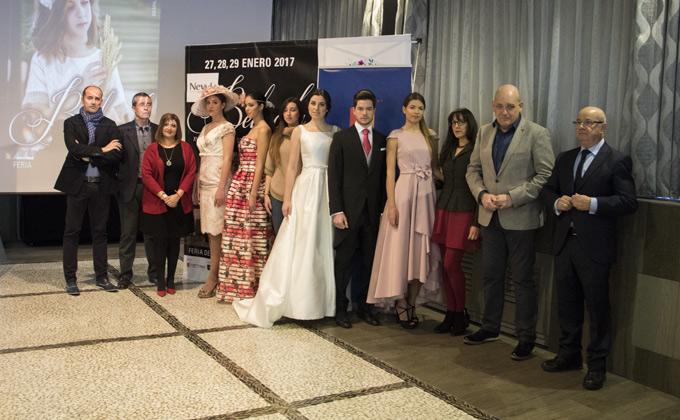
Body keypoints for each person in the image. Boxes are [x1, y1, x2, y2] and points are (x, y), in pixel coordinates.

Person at [541, 106, 637, 390]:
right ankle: (568, 354)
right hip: (565, 243)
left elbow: (629, 202)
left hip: (595, 248)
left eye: (589, 123)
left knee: (597, 307)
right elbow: (548, 191)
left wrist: (593, 204)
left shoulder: (617, 160)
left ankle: (596, 365)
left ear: (603, 127)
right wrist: (558, 203)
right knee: (567, 303)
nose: (582, 127)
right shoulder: (566, 158)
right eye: (578, 122)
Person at [464, 84, 554, 361]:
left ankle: (525, 337)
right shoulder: (484, 131)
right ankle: (490, 327)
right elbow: (472, 170)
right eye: (500, 106)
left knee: (523, 281)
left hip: (521, 219)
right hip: (489, 217)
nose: (505, 112)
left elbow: (544, 175)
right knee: (491, 275)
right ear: (493, 106)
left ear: (521, 106)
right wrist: (482, 195)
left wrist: (511, 198)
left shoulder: (537, 134)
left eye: (511, 107)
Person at [234, 89, 338, 327]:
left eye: (321, 104)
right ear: (308, 106)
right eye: (313, 103)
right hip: (305, 189)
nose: (317, 108)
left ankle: (321, 302)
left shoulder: (335, 132)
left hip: (327, 191)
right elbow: (292, 167)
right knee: (300, 243)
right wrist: (288, 198)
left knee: (322, 245)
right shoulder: (300, 131)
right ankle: (294, 301)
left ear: (327, 108)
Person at [366, 92, 441, 329]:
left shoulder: (431, 136)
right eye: (412, 107)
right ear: (403, 109)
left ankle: (412, 302)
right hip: (404, 194)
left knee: (421, 249)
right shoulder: (395, 137)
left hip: (427, 195)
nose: (416, 111)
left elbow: (437, 168)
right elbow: (389, 173)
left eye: (420, 107)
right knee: (400, 249)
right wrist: (391, 204)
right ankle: (400, 303)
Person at [54, 85, 123, 295]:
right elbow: (73, 149)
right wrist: (102, 150)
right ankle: (71, 279)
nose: (93, 101)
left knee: (100, 232)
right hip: (77, 184)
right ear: (83, 99)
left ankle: (101, 277)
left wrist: (88, 154)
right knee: (72, 232)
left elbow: (117, 155)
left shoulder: (110, 125)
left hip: (101, 185)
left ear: (102, 101)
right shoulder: (71, 123)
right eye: (90, 98)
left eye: (97, 99)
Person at [328, 89, 386, 329]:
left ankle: (365, 307)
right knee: (343, 263)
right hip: (348, 214)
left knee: (368, 263)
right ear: (354, 111)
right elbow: (334, 177)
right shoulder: (341, 139)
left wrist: (383, 210)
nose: (364, 113)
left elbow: (385, 179)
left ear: (374, 111)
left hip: (372, 214)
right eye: (360, 109)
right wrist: (337, 211)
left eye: (369, 109)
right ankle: (342, 309)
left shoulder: (383, 140)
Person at [22, 0, 128, 124]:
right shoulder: (42, 60)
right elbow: (34, 120)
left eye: (84, 3)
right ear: (57, 15)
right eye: (70, 8)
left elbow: (122, 114)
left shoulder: (104, 58)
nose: (81, 13)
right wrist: (79, 90)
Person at [216, 91, 273, 302]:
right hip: (240, 181)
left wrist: (252, 192)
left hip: (251, 184)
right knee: (235, 235)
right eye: (245, 105)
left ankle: (252, 287)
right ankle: (235, 288)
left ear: (260, 106)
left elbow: (261, 164)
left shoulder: (264, 129)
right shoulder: (252, 128)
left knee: (253, 236)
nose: (247, 109)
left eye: (250, 105)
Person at [432, 108, 481, 335]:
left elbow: (481, 187)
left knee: (452, 263)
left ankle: (460, 313)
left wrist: (476, 222)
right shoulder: (450, 148)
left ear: (469, 124)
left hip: (465, 212)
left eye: (461, 122)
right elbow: (442, 177)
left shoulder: (476, 150)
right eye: (453, 123)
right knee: (444, 265)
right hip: (444, 209)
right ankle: (450, 313)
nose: (457, 127)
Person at [140, 113, 196, 297]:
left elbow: (191, 172)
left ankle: (171, 279)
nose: (169, 128)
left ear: (177, 128)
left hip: (179, 203)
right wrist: (164, 196)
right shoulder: (152, 149)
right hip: (158, 203)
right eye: (166, 124)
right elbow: (146, 175)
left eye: (173, 124)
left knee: (174, 242)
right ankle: (161, 281)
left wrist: (178, 195)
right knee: (159, 243)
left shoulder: (186, 148)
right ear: (161, 128)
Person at [192, 86, 239, 298]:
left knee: (218, 231)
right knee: (211, 232)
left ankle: (214, 277)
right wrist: (196, 186)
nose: (211, 106)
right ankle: (216, 274)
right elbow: (201, 158)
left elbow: (228, 159)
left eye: (215, 102)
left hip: (219, 184)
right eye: (208, 102)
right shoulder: (205, 128)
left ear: (223, 104)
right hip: (205, 183)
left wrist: (222, 187)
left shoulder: (227, 127)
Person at [116, 93, 158, 288]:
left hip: (152, 189)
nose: (146, 107)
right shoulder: (121, 131)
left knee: (152, 232)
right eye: (142, 104)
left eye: (149, 104)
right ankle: (125, 274)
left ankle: (155, 272)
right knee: (128, 233)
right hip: (130, 188)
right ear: (133, 107)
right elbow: (114, 160)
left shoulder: (158, 131)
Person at [264, 97, 303, 234]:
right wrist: (266, 194)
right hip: (276, 194)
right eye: (285, 110)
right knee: (279, 236)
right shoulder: (276, 136)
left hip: (300, 194)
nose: (289, 114)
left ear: (300, 113)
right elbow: (270, 169)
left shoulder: (306, 135)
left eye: (293, 110)